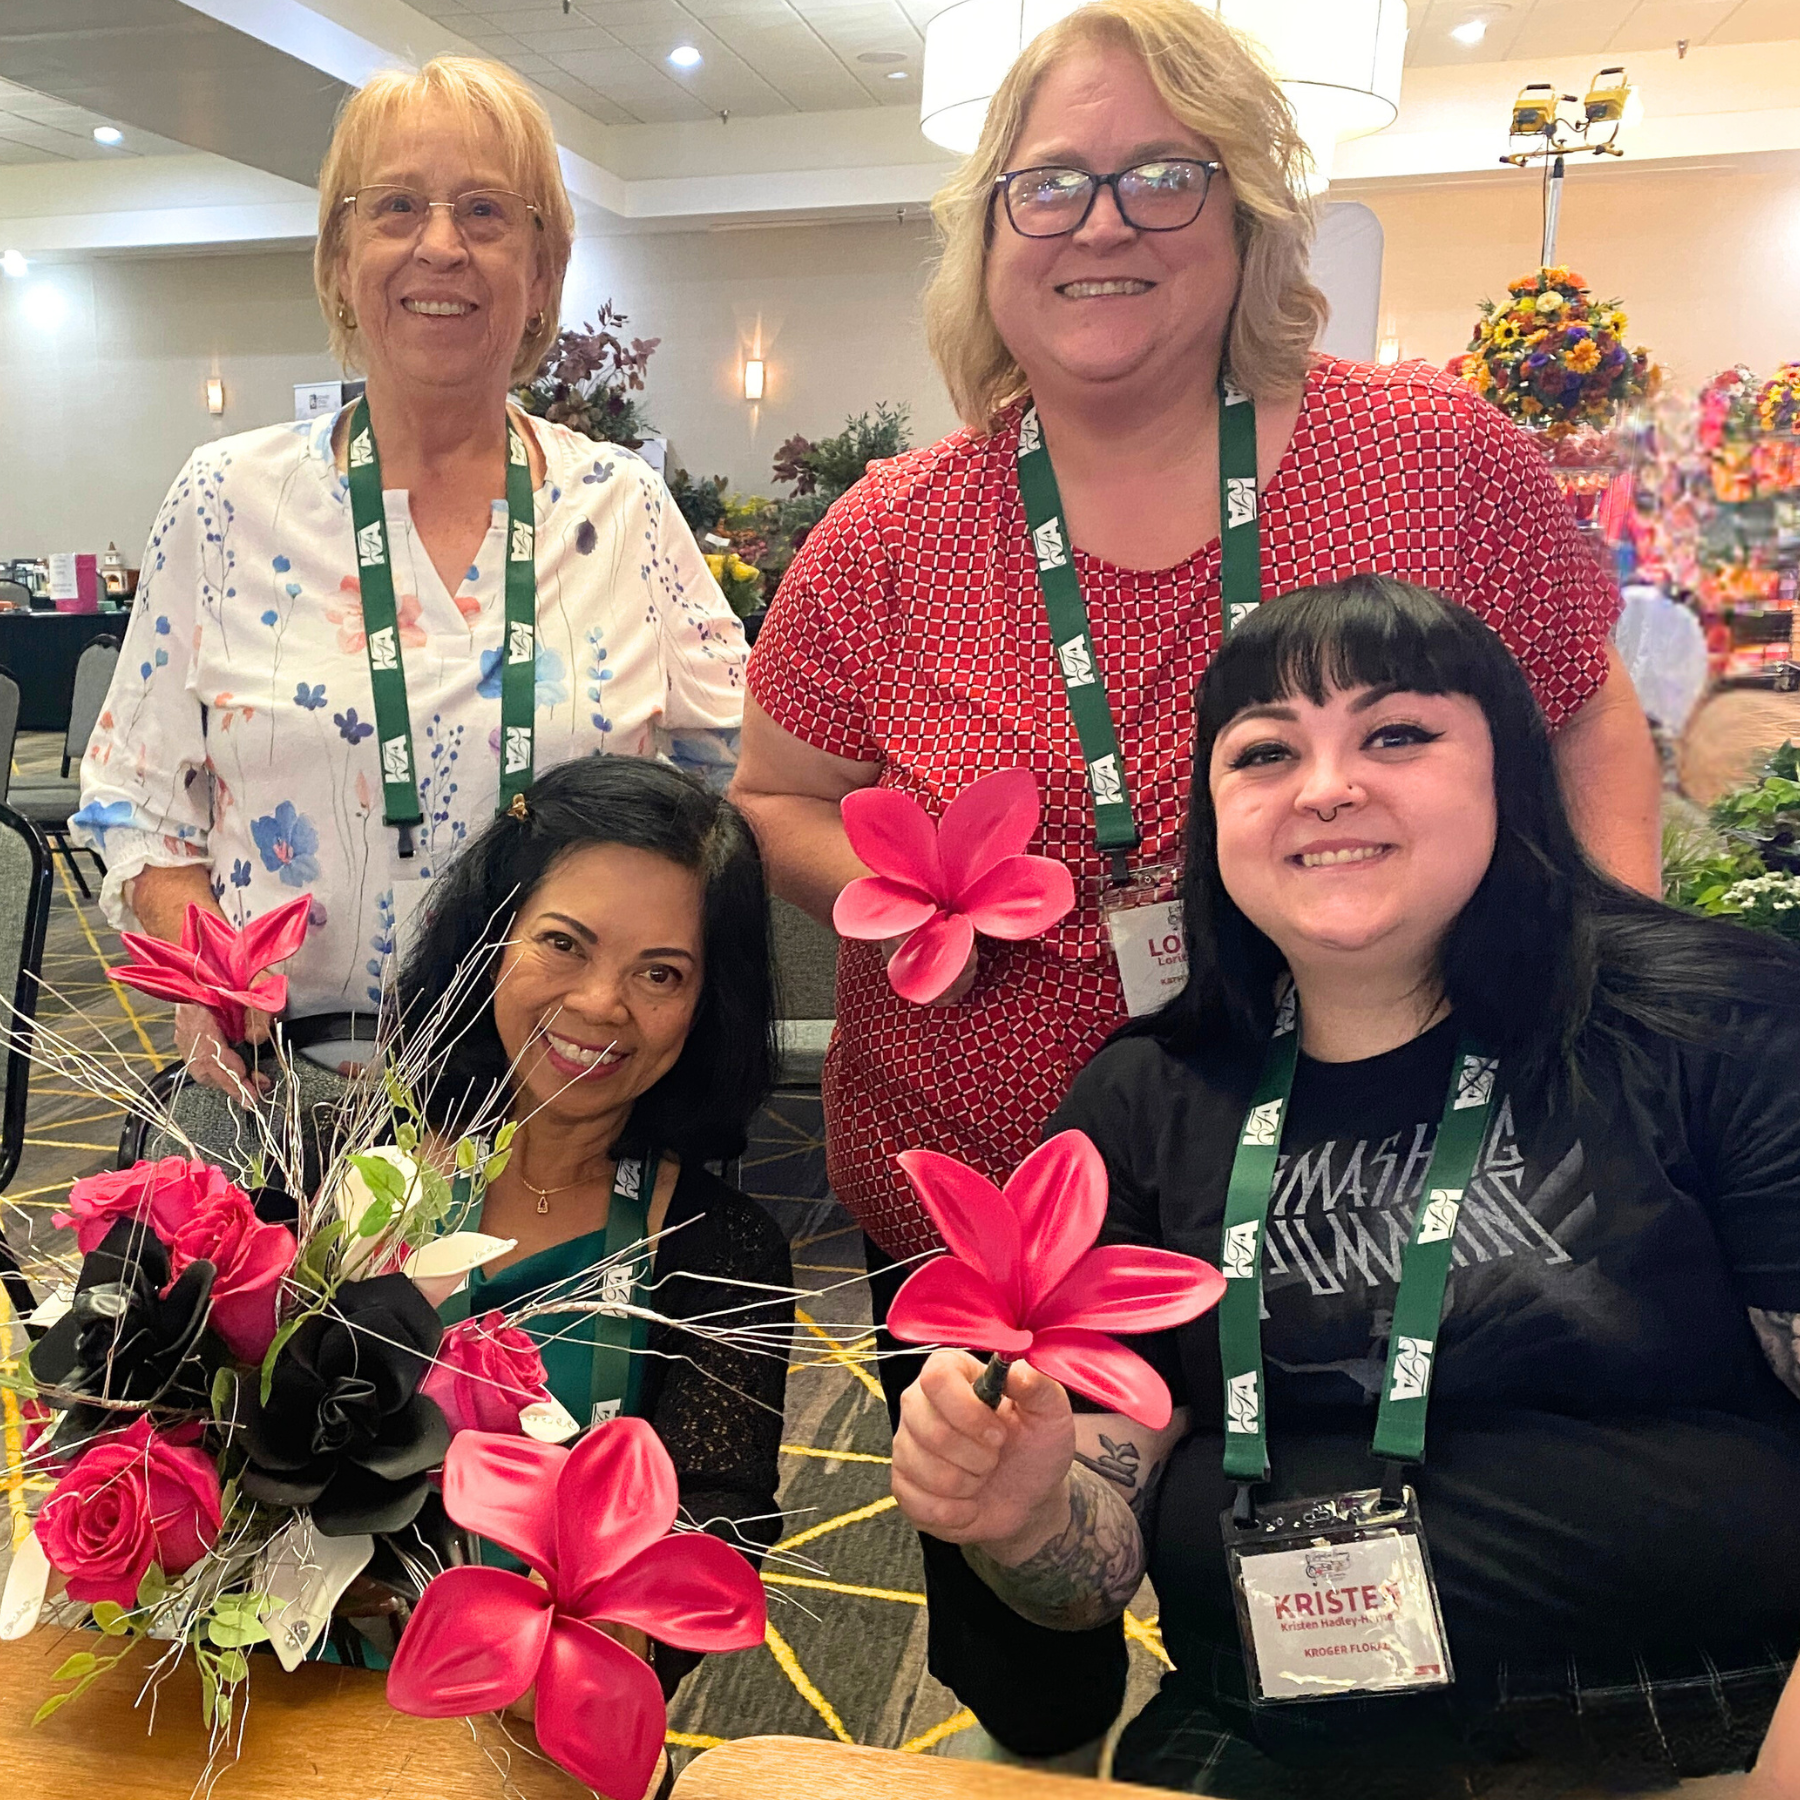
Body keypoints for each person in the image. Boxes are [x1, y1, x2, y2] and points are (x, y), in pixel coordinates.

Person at [729, 0, 1660, 1290]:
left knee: (1350, 1492)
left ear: (1247, 215)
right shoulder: (891, 530)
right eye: (1047, 185)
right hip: (986, 1221)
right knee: (1001, 1496)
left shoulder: (1431, 458)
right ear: (991, 236)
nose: (1101, 222)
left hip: (1379, 1195)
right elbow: (776, 794)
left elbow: (1579, 710)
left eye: (1164, 177)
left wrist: (1617, 994)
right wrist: (922, 907)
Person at [891, 579, 1800, 1793]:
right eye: (1266, 751)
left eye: (1397, 733)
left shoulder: (1712, 1022)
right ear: (1216, 817)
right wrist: (1022, 1515)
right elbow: (1092, 1567)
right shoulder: (1143, 1098)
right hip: (1285, 1731)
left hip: (1706, 1726)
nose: (1327, 786)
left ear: (1507, 772)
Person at [73, 55, 745, 1097]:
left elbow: (727, 783)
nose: (440, 244)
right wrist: (203, 963)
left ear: (542, 272)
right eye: (395, 207)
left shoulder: (622, 507)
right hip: (296, 1087)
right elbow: (134, 802)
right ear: (342, 259)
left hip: (565, 1092)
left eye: (485, 211)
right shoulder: (223, 500)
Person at [396, 754, 789, 1699]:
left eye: (660, 972)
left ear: (705, 1006)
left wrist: (598, 1652)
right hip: (292, 1691)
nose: (600, 1004)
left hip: (543, 1708)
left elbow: (717, 1521)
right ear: (493, 941)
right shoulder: (345, 1166)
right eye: (563, 944)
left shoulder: (720, 1245)